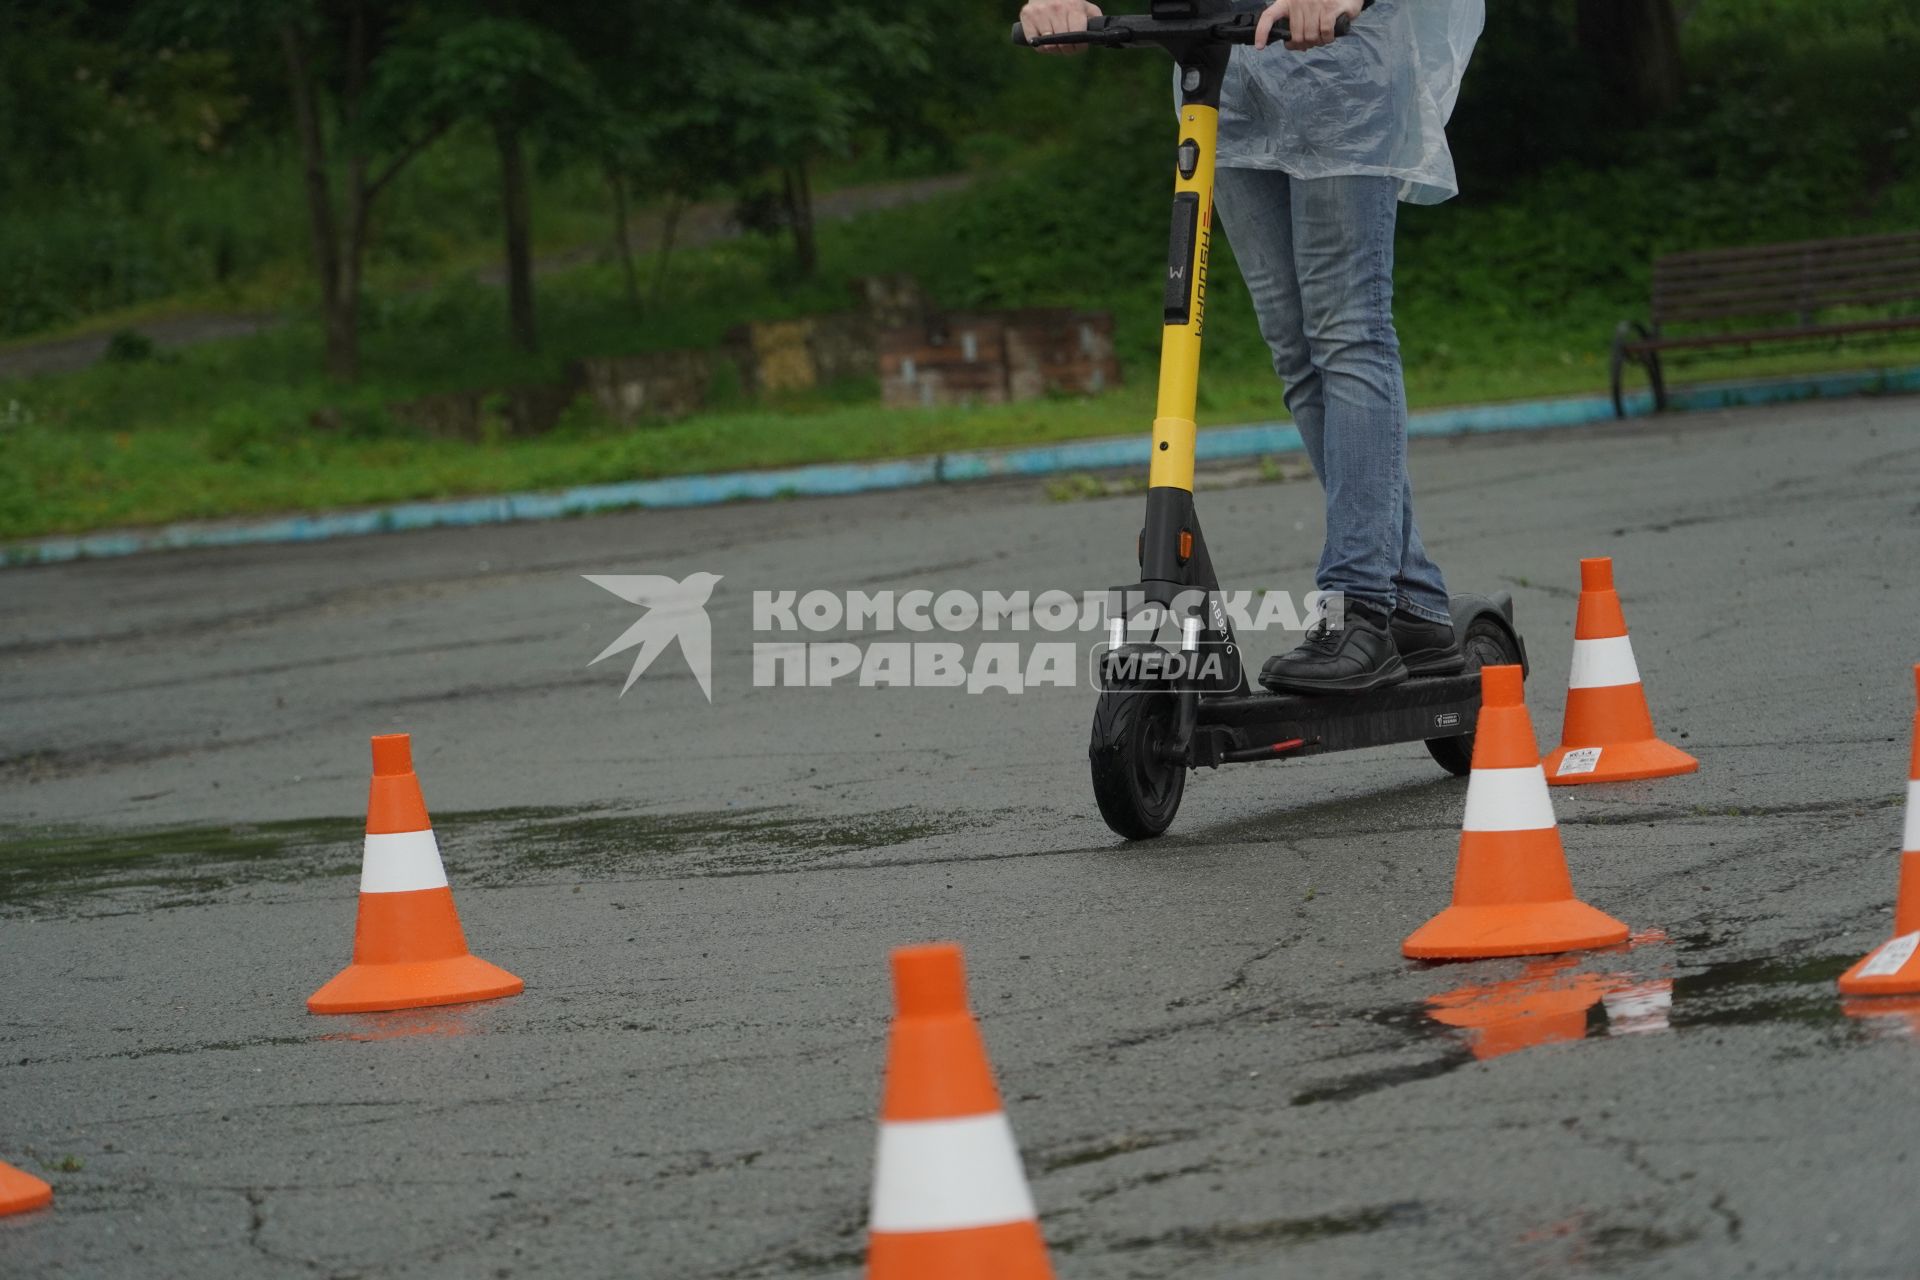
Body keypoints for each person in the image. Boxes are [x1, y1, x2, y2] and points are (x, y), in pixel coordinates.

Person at [1019, 0, 1486, 694]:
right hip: (1223, 75)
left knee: (1348, 334)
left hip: (1338, 66)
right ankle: (1410, 599)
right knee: (1298, 355)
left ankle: (1359, 606)